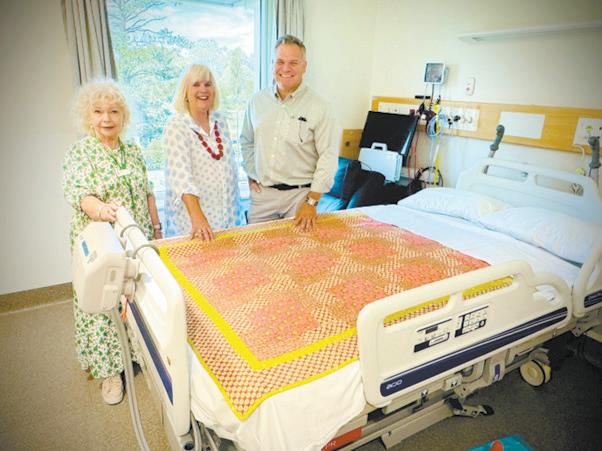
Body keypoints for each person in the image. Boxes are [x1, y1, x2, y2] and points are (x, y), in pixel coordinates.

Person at [62, 80, 162, 405]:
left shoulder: (132, 150)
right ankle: (109, 372)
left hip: (135, 238)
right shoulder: (80, 153)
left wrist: (156, 228)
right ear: (87, 116)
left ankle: (136, 354)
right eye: (98, 111)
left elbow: (147, 192)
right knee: (104, 304)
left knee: (135, 297)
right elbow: (81, 196)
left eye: (114, 111)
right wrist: (102, 210)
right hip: (101, 242)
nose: (107, 118)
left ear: (124, 116)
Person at [240, 34, 339, 231]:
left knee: (299, 250)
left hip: (300, 198)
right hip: (262, 197)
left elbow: (328, 156)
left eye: (293, 63)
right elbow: (246, 142)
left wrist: (312, 202)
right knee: (257, 247)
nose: (286, 68)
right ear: (272, 64)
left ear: (304, 66)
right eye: (280, 62)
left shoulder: (320, 107)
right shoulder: (256, 102)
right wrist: (252, 173)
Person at [162, 64, 240, 240]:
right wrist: (198, 217)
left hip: (228, 217)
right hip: (194, 222)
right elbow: (181, 177)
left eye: (208, 84)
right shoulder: (176, 125)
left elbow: (228, 164)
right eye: (196, 84)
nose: (203, 90)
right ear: (185, 92)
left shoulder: (220, 120)